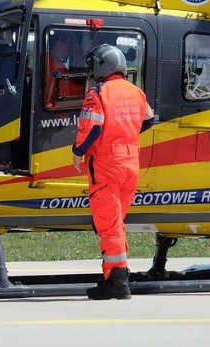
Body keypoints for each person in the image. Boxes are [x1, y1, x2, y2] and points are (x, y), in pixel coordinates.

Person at [71, 44, 155, 300]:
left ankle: (118, 281)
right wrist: (124, 133)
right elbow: (149, 118)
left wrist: (77, 151)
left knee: (109, 226)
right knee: (116, 224)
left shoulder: (98, 94)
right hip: (130, 165)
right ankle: (112, 275)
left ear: (101, 67)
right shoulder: (135, 92)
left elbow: (92, 130)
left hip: (107, 167)